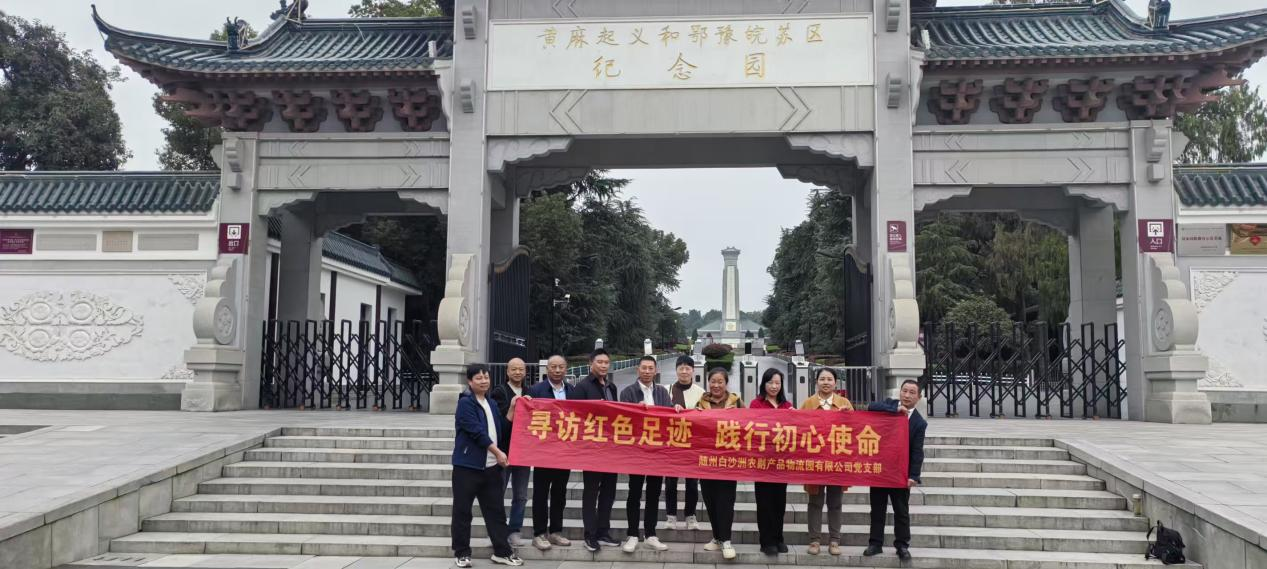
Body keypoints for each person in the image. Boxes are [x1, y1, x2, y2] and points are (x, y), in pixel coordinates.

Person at [451, 364, 524, 567]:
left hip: (491, 468)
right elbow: (477, 433)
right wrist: (499, 453)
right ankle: (462, 553)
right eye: (479, 378)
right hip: (467, 467)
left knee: (496, 512)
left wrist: (512, 407)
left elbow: (502, 429)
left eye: (486, 377)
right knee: (462, 512)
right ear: (469, 381)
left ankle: (502, 552)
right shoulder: (465, 403)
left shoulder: (490, 403)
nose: (484, 381)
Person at [864, 379, 927, 562]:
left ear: (918, 397)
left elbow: (917, 451)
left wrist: (914, 475)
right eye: (904, 391)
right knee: (877, 508)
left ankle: (902, 545)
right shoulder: (889, 405)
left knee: (901, 511)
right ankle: (875, 543)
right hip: (881, 469)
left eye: (912, 393)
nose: (907, 395)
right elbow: (871, 407)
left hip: (900, 473)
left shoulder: (919, 423)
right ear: (900, 392)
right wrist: (895, 410)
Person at [617, 356, 673, 553]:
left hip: (657, 451)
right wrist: (635, 411)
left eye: (651, 368)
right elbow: (622, 420)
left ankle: (651, 534)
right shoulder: (628, 392)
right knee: (634, 492)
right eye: (644, 368)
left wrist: (676, 409)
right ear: (637, 370)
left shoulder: (662, 392)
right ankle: (632, 534)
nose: (647, 371)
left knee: (654, 493)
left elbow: (669, 417)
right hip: (637, 451)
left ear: (656, 371)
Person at [800, 367, 854, 556]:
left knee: (835, 502)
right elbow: (799, 429)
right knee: (815, 502)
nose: (826, 382)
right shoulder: (808, 403)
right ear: (816, 382)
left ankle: (834, 540)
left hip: (837, 461)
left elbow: (855, 430)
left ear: (835, 383)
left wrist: (848, 415)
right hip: (815, 462)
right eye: (822, 379)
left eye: (829, 379)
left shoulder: (844, 403)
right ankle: (814, 540)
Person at [572, 348, 620, 552]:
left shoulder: (612, 386)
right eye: (599, 362)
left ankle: (603, 532)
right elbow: (574, 415)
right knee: (591, 493)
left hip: (610, 448)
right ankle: (589, 535)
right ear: (591, 363)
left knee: (609, 492)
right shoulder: (582, 387)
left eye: (606, 362)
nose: (603, 365)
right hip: (591, 449)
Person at [524, 354, 573, 551]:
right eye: (553, 367)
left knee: (560, 493)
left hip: (564, 451)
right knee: (541, 493)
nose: (557, 370)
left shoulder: (572, 390)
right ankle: (538, 533)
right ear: (547, 369)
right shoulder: (536, 390)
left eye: (561, 366)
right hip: (543, 451)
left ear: (566, 368)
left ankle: (555, 532)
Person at [696, 367, 742, 560]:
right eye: (713, 381)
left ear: (726, 383)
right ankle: (717, 537)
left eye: (720, 382)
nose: (716, 385)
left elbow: (751, 425)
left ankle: (726, 540)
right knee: (710, 500)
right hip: (706, 461)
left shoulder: (736, 402)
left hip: (728, 461)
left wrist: (737, 415)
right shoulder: (700, 403)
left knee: (725, 501)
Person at [748, 368, 792, 556]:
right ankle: (766, 541)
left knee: (779, 503)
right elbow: (751, 429)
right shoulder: (756, 404)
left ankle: (778, 538)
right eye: (770, 382)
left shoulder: (787, 405)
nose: (774, 386)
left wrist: (796, 417)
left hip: (781, 463)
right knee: (764, 503)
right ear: (763, 384)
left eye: (777, 383)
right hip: (762, 463)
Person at [490, 357, 530, 547]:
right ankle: (497, 531)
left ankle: (515, 530)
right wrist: (513, 407)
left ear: (525, 371)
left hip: (523, 451)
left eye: (521, 369)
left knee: (521, 495)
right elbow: (501, 426)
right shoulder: (499, 392)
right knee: (498, 493)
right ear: (507, 372)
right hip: (504, 451)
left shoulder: (530, 392)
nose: (517, 372)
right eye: (513, 369)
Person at [665, 355, 704, 531]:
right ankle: (671, 516)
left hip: (692, 444)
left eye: (688, 368)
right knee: (670, 482)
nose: (684, 371)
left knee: (692, 482)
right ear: (676, 370)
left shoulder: (701, 393)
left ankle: (690, 516)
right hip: (671, 443)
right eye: (681, 368)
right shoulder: (666, 390)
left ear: (693, 370)